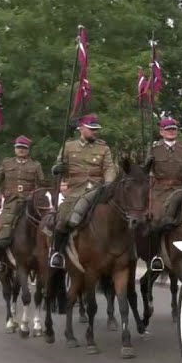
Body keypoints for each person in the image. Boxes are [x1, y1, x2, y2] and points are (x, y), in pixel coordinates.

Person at [50, 114, 117, 269]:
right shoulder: (69, 147)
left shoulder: (103, 148)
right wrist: (57, 168)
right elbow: (57, 166)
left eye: (96, 129)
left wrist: (109, 183)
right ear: (81, 129)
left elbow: (109, 168)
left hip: (98, 190)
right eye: (92, 129)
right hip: (75, 191)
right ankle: (57, 253)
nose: (95, 132)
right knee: (63, 219)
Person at [0, 135, 46, 273]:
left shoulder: (35, 165)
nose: (21, 150)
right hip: (11, 203)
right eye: (19, 147)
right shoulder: (6, 163)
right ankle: (0, 261)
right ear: (15, 149)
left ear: (28, 150)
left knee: (46, 228)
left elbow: (42, 183)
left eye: (24, 148)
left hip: (30, 202)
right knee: (1, 235)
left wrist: (36, 195)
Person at [147, 117, 182, 232]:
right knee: (152, 220)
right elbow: (145, 170)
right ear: (161, 132)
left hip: (179, 189)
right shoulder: (154, 150)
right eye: (168, 129)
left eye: (174, 129)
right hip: (158, 191)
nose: (171, 131)